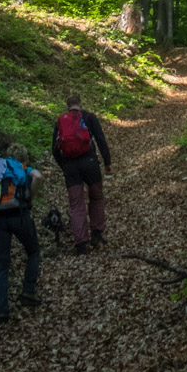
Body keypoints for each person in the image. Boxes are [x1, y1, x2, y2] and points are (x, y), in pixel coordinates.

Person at [0, 144, 42, 323]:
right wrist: (30, 197)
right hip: (19, 215)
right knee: (33, 251)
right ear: (24, 158)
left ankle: (1, 310)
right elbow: (37, 176)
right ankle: (28, 291)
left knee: (2, 264)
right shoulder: (22, 167)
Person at [52, 93, 112, 255]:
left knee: (76, 204)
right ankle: (97, 234)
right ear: (80, 104)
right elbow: (100, 139)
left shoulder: (61, 121)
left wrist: (64, 166)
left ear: (67, 106)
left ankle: (81, 244)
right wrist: (107, 162)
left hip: (71, 166)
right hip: (90, 163)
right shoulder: (89, 117)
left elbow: (55, 149)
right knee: (97, 198)